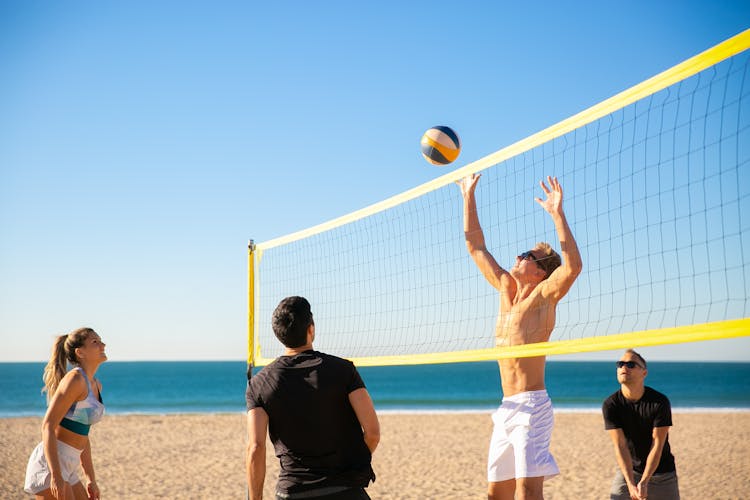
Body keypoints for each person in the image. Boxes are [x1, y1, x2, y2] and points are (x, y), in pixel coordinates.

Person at [457, 174, 582, 500]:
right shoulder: (505, 289)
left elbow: (572, 268)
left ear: (541, 271)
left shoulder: (544, 296)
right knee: (495, 494)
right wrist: (468, 195)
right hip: (506, 407)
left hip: (532, 407)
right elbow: (475, 245)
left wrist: (558, 215)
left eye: (526, 255)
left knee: (528, 493)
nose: (518, 256)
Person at [245, 296, 380, 500]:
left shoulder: (259, 383)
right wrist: (350, 466)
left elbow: (256, 448)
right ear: (311, 329)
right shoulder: (343, 370)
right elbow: (372, 433)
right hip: (344, 490)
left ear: (278, 335)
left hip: (293, 491)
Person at [24, 327, 107, 500]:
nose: (103, 345)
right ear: (80, 352)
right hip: (51, 465)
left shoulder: (96, 385)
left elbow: (84, 436)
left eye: (100, 340)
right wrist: (55, 474)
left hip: (69, 468)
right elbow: (47, 426)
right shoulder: (75, 379)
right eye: (95, 342)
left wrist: (91, 478)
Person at [602, 349, 680, 500]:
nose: (624, 367)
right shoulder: (611, 404)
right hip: (630, 471)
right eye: (620, 364)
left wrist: (644, 482)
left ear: (644, 373)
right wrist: (631, 483)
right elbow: (620, 446)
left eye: (631, 364)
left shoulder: (659, 402)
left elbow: (657, 445)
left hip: (662, 474)